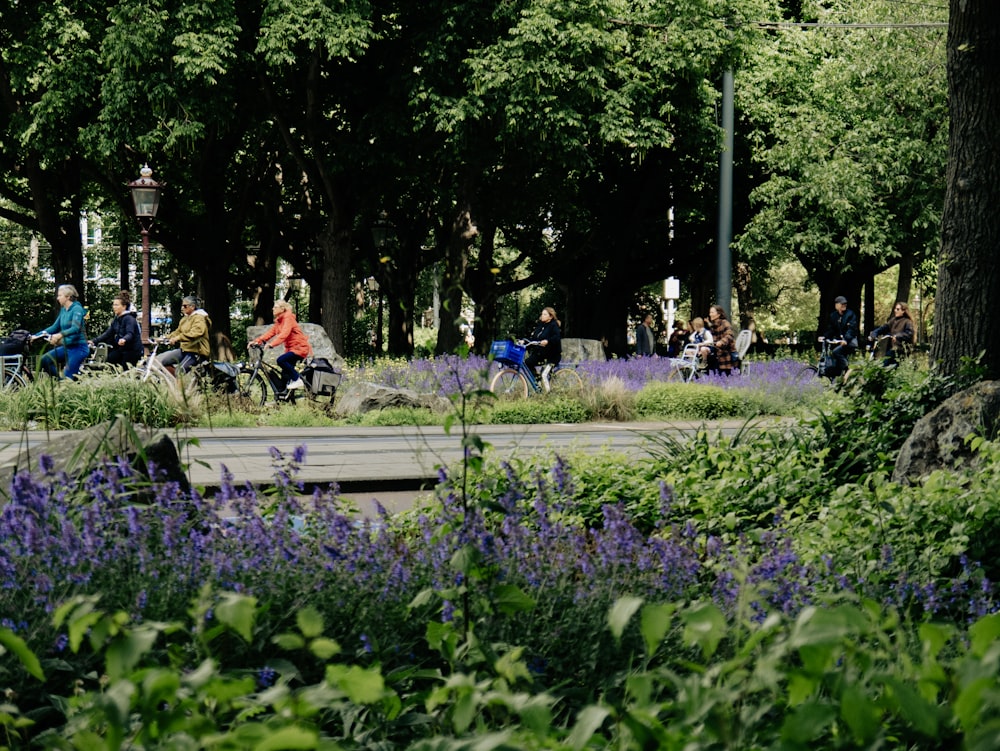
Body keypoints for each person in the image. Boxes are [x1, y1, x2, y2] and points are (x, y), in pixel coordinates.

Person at [250, 300, 312, 392]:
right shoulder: (279, 321)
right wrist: (257, 341)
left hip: (300, 348)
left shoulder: (288, 318)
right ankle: (282, 397)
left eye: (275, 307)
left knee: (281, 360)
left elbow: (284, 334)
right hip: (291, 349)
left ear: (282, 309)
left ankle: (297, 379)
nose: (273, 309)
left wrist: (272, 344)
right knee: (284, 375)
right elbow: (270, 333)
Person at [33, 283, 89, 380]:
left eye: (59, 295)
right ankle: (60, 381)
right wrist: (36, 336)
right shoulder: (64, 310)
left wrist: (60, 335)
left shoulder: (77, 309)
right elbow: (54, 327)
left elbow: (75, 328)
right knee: (44, 360)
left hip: (78, 348)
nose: (57, 298)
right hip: (67, 347)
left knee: (68, 374)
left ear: (67, 297)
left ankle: (66, 383)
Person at [157, 295, 211, 373]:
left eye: (184, 306)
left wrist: (178, 338)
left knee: (179, 371)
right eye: (182, 306)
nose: (182, 308)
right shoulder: (185, 319)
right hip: (185, 350)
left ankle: (180, 384)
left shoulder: (199, 318)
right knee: (165, 361)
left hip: (197, 351)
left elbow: (196, 333)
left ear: (192, 306)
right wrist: (165, 338)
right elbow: (178, 332)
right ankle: (174, 382)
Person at [91, 291, 143, 369]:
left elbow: (130, 333)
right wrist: (94, 341)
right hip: (121, 349)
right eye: (113, 305)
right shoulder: (117, 319)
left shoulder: (129, 319)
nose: (114, 307)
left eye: (116, 305)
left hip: (132, 350)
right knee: (109, 361)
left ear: (124, 306)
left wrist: (124, 339)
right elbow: (108, 333)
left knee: (126, 369)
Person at [823, 295, 859, 377]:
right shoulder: (833, 316)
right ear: (837, 305)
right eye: (842, 304)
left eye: (845, 304)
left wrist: (846, 340)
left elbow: (851, 329)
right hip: (839, 342)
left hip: (850, 342)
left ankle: (847, 369)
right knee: (831, 356)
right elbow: (831, 329)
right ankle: (837, 377)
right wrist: (825, 337)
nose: (844, 306)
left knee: (836, 352)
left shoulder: (850, 314)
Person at [524, 306, 562, 372]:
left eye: (545, 314)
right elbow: (534, 339)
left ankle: (543, 380)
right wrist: (524, 341)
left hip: (552, 356)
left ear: (550, 317)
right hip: (541, 355)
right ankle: (536, 381)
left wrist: (548, 341)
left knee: (544, 374)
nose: (542, 316)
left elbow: (556, 337)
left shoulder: (554, 325)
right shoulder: (540, 326)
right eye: (542, 314)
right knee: (527, 363)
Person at [707, 304, 736, 374]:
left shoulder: (725, 323)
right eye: (710, 312)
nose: (710, 314)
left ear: (718, 314)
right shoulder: (713, 326)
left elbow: (730, 335)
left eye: (712, 312)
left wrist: (722, 341)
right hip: (716, 352)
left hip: (725, 352)